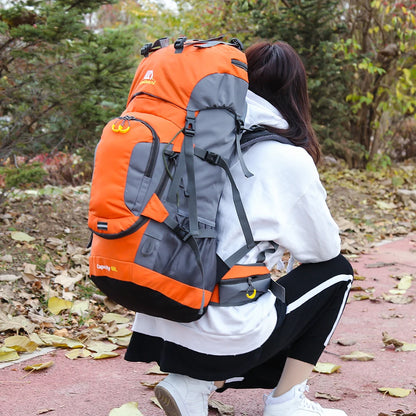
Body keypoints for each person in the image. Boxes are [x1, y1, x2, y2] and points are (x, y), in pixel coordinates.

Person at [124, 40, 354, 416]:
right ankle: (286, 402)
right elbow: (323, 250)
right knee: (337, 273)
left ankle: (193, 384)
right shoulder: (286, 158)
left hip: (159, 317)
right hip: (218, 330)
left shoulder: (189, 136)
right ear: (297, 96)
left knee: (241, 287)